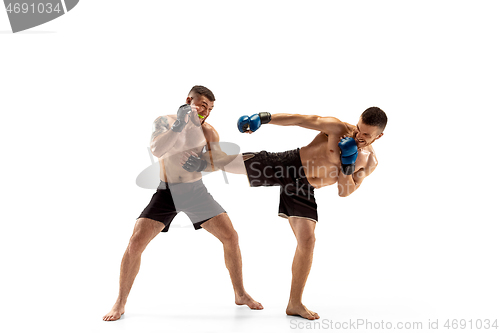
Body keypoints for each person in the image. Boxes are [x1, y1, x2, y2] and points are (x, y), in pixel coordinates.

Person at [184, 107, 387, 320]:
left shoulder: (369, 162)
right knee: (232, 163)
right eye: (359, 129)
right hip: (289, 165)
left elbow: (345, 192)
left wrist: (347, 166)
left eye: (366, 135)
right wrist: (264, 119)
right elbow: (301, 120)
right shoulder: (337, 129)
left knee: (307, 241)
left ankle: (295, 303)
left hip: (304, 188)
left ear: (379, 136)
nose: (359, 136)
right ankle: (193, 161)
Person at [103, 86, 263, 321]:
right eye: (202, 105)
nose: (205, 112)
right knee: (135, 243)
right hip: (167, 192)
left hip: (195, 192)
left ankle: (240, 294)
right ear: (189, 100)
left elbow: (215, 161)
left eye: (210, 108)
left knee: (231, 236)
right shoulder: (165, 121)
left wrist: (202, 165)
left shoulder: (208, 131)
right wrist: (179, 125)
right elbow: (157, 149)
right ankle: (120, 302)